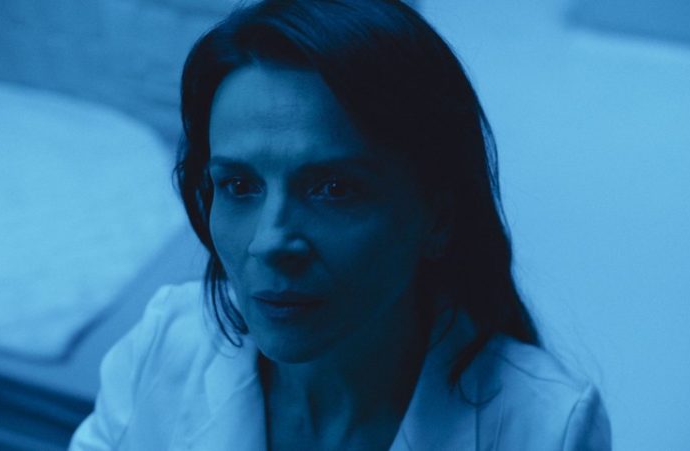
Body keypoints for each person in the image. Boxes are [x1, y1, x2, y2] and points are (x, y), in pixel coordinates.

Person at [70, 0, 611, 449]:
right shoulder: (164, 346)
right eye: (238, 186)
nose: (270, 241)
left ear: (438, 216)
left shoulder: (547, 428)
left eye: (333, 189)